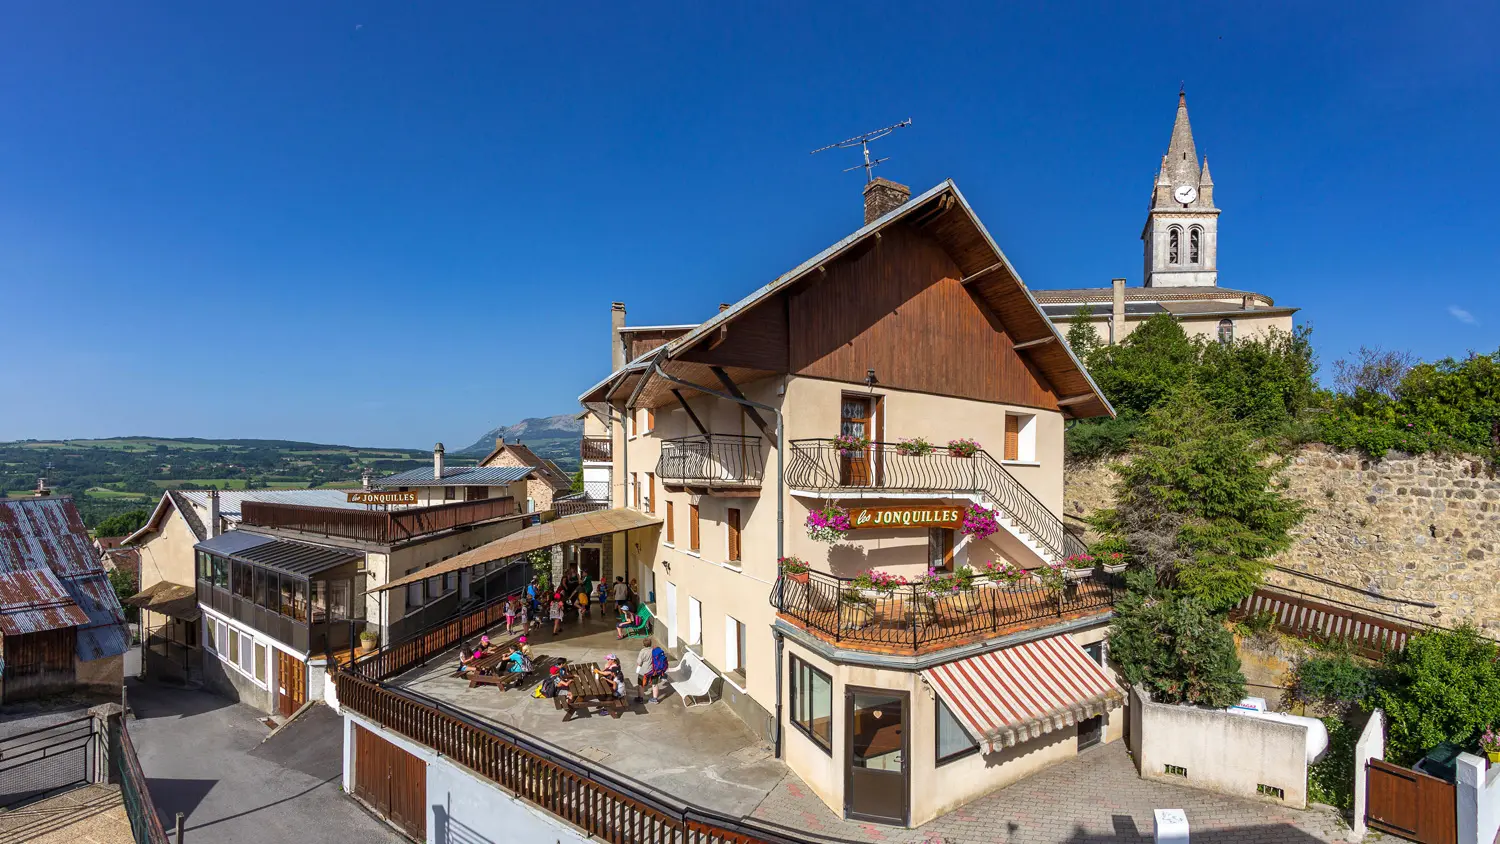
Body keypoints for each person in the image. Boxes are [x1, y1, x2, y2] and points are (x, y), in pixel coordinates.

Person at [633, 639, 656, 703]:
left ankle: (640, 699)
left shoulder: (642, 651)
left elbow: (639, 662)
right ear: (651, 643)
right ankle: (655, 699)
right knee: (654, 684)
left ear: (643, 644)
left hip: (644, 671)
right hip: (654, 671)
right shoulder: (654, 650)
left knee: (641, 685)